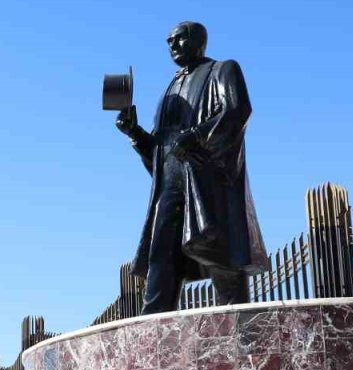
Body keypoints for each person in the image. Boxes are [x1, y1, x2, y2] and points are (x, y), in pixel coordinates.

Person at [114, 21, 267, 314]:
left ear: (200, 40)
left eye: (180, 38)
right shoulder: (171, 88)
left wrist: (197, 136)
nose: (172, 44)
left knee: (220, 254)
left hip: (207, 181)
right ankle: (152, 329)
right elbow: (163, 152)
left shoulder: (222, 69)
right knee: (161, 256)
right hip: (170, 185)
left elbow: (237, 110)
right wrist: (135, 133)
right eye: (169, 41)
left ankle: (238, 324)